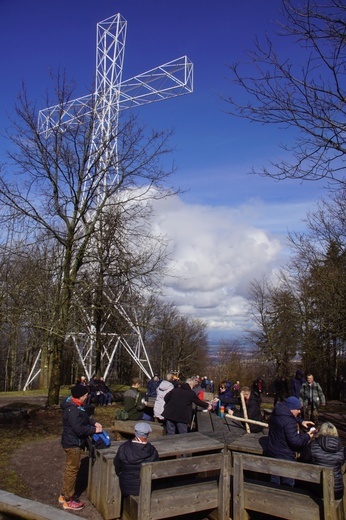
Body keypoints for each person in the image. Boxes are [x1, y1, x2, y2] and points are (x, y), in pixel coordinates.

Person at [59, 384, 102, 511]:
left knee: (70, 470)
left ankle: (64, 494)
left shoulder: (76, 406)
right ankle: (68, 499)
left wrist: (94, 422)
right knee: (72, 471)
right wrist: (94, 430)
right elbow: (79, 429)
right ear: (82, 396)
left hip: (72, 441)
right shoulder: (72, 410)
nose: (87, 397)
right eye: (86, 395)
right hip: (73, 443)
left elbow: (84, 418)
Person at [266, 396, 314, 487]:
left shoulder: (277, 414)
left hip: (273, 452)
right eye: (298, 409)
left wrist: (301, 421)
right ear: (291, 409)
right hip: (285, 456)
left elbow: (287, 418)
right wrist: (307, 436)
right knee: (287, 483)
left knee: (274, 481)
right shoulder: (289, 422)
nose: (299, 411)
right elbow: (295, 442)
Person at [300, 422, 346, 500]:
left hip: (317, 488)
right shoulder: (343, 448)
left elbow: (304, 460)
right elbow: (341, 463)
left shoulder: (313, 445)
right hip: (336, 490)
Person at [113, 422, 159, 497]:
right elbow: (156, 469)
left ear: (135, 432)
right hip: (146, 487)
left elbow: (117, 465)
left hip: (126, 486)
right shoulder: (152, 451)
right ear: (147, 434)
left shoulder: (123, 448)